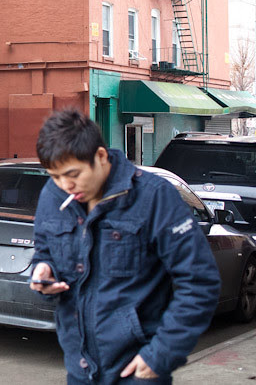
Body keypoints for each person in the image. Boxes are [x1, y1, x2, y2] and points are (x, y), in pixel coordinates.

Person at [29, 109, 220, 384]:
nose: (65, 185)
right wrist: (43, 271)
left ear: (100, 156)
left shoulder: (154, 197)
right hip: (80, 368)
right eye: (55, 176)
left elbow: (200, 282)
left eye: (73, 174)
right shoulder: (53, 194)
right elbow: (44, 251)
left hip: (137, 370)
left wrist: (161, 354)